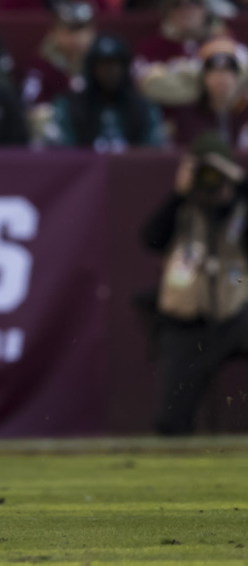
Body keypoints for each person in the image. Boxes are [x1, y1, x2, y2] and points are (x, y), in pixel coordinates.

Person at [140, 132, 248, 435]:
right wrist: (179, 194)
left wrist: (237, 185)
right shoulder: (181, 209)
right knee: (170, 421)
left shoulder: (240, 206)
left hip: (234, 316)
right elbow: (150, 238)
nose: (210, 180)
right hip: (185, 325)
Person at [50, 33, 165, 151]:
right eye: (102, 65)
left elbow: (152, 155)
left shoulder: (143, 108)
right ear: (91, 69)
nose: (109, 72)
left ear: (125, 68)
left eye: (115, 65)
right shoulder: (70, 106)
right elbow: (62, 157)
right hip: (85, 169)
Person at [21, 0, 97, 142]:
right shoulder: (41, 65)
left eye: (81, 29)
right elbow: (32, 107)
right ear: (54, 32)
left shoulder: (103, 60)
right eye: (69, 30)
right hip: (59, 137)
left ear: (92, 30)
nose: (76, 37)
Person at [132, 0, 225, 107]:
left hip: (215, 116)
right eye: (177, 4)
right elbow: (149, 85)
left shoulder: (223, 43)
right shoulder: (150, 48)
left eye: (194, 3)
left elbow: (239, 81)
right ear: (167, 11)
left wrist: (177, 75)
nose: (186, 10)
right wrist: (206, 79)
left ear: (206, 9)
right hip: (166, 117)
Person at [169, 37, 248, 148]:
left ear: (237, 78)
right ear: (204, 79)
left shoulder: (245, 112)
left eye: (227, 72)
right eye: (214, 72)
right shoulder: (189, 114)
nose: (221, 78)